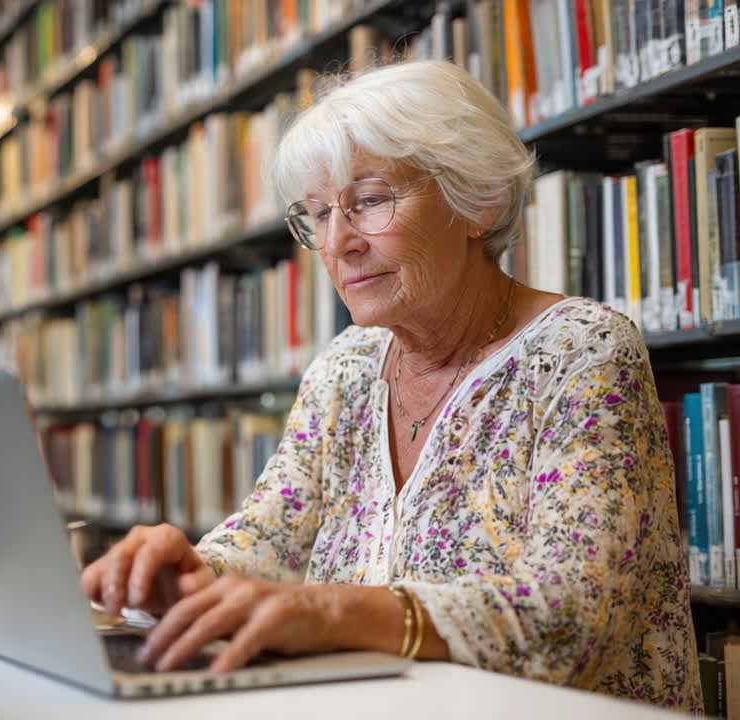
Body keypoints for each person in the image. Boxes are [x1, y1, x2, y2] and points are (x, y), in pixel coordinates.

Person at [81, 60, 702, 711]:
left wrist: (331, 612)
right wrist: (191, 578)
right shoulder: (345, 368)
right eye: (317, 215)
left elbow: (572, 617)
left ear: (477, 201)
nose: (337, 242)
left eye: (369, 201)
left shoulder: (581, 349)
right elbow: (268, 540)